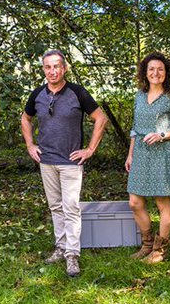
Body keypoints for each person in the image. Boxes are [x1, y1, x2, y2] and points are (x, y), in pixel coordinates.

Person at [21, 50, 108, 278]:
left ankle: (72, 255)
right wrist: (30, 145)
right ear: (43, 70)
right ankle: (60, 247)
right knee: (55, 207)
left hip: (70, 161)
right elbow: (25, 118)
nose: (52, 71)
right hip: (46, 160)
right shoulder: (38, 94)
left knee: (71, 207)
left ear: (64, 68)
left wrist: (90, 149)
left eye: (57, 66)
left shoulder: (77, 93)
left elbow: (101, 118)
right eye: (48, 67)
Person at [126, 53, 170, 264]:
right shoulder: (139, 97)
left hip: (162, 153)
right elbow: (135, 129)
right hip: (141, 153)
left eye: (160, 69)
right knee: (135, 202)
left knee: (162, 203)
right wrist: (130, 154)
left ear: (166, 72)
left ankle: (160, 251)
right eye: (151, 69)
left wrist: (163, 135)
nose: (156, 73)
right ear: (145, 72)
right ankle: (147, 244)